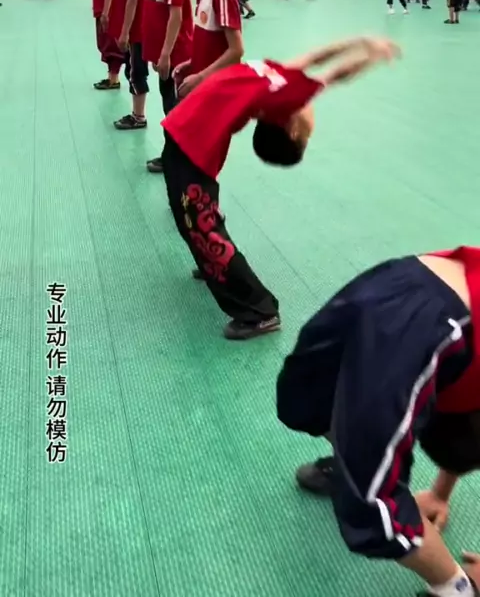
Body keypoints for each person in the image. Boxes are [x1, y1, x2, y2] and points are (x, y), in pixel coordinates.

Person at [162, 36, 399, 339]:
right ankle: (211, 264)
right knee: (191, 221)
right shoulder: (285, 90)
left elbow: (324, 64)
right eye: (308, 136)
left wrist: (365, 49)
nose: (311, 115)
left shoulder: (280, 92)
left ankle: (260, 311)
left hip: (192, 141)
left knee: (201, 227)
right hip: (187, 135)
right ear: (293, 127)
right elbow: (324, 63)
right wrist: (365, 47)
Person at [277, 246, 480, 597]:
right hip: (421, 306)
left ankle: (457, 589)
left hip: (408, 285)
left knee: (370, 498)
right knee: (305, 398)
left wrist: (438, 494)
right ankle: (361, 464)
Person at [141, 0, 193, 173]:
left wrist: (165, 55)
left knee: (174, 110)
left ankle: (175, 157)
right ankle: (174, 155)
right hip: (166, 55)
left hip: (174, 57)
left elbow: (176, 15)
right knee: (169, 106)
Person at [106, 0, 148, 130]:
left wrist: (125, 33)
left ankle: (139, 116)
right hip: (132, 33)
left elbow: (133, 1)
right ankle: (136, 114)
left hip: (135, 34)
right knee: (132, 70)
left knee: (136, 72)